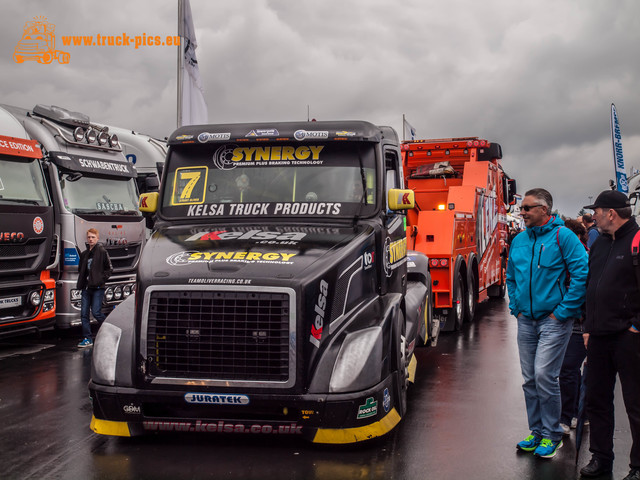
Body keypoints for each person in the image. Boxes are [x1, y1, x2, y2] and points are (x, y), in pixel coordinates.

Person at [507, 188, 588, 459]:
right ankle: (537, 431)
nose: (523, 212)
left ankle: (553, 434)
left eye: (528, 208)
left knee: (544, 375)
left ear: (544, 210)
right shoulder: (519, 240)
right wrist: (515, 307)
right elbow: (511, 277)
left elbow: (581, 272)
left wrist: (564, 311)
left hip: (554, 320)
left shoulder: (563, 236)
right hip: (526, 320)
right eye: (523, 208)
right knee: (530, 379)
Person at [579, 190, 640, 480]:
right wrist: (587, 327)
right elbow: (592, 285)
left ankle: (638, 467)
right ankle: (601, 458)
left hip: (629, 337)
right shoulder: (601, 243)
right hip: (599, 336)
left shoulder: (637, 241)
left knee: (636, 404)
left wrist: (635, 327)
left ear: (611, 213)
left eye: (597, 211)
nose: (594, 216)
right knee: (596, 400)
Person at [558, 218, 588, 435]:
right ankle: (577, 412)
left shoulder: (585, 257)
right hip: (563, 318)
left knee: (568, 368)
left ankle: (568, 417)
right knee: (570, 370)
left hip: (578, 320)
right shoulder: (561, 257)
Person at [77, 228, 112, 348]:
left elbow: (109, 269)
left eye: (93, 237)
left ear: (97, 238)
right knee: (84, 314)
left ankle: (110, 330)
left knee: (96, 312)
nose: (90, 239)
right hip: (86, 288)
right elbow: (80, 269)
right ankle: (87, 338)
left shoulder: (102, 251)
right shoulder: (84, 254)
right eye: (89, 237)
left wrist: (100, 280)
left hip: (98, 288)